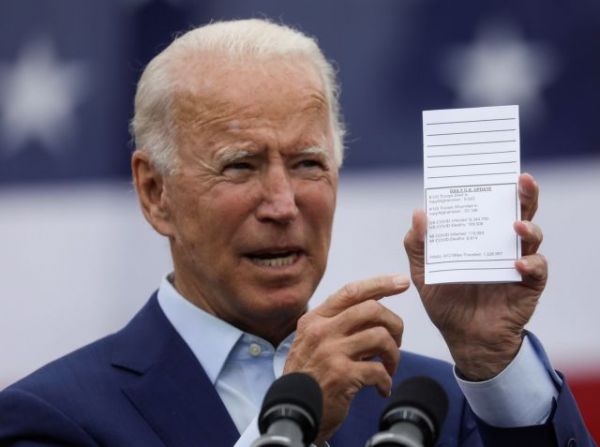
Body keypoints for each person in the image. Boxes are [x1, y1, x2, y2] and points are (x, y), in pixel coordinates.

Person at [0, 18, 593, 447]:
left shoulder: (433, 405)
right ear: (156, 193)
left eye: (308, 163)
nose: (283, 205)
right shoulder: (50, 419)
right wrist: (284, 430)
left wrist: (491, 358)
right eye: (240, 166)